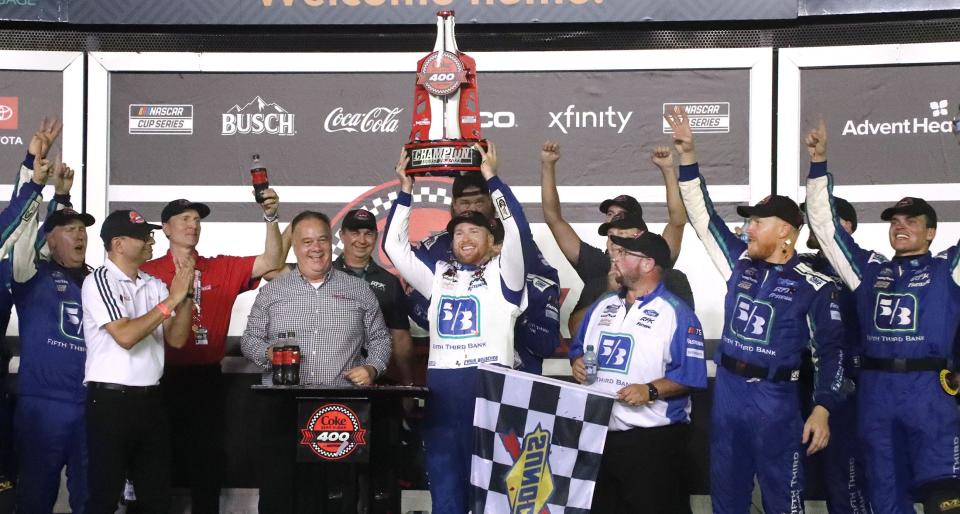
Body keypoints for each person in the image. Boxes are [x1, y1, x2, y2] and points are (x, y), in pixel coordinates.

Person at [668, 106, 845, 513]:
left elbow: (830, 353)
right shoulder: (740, 264)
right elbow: (703, 217)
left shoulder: (813, 285)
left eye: (757, 222)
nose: (747, 228)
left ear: (785, 230)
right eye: (749, 222)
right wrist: (688, 157)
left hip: (777, 399)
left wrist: (822, 408)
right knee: (726, 497)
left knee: (784, 499)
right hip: (729, 392)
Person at [804, 120, 960, 514]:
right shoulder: (868, 271)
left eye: (911, 221)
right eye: (893, 221)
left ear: (931, 233)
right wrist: (819, 163)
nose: (900, 225)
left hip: (930, 391)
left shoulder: (948, 269)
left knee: (945, 497)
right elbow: (825, 229)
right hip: (876, 393)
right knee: (885, 496)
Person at [382, 142, 529, 513]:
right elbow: (395, 248)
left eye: (475, 232)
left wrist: (493, 179)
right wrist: (405, 189)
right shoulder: (439, 278)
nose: (464, 238)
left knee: (495, 496)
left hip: (491, 390)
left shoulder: (505, 274)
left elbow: (518, 230)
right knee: (446, 495)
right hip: (444, 393)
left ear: (494, 244)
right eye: (459, 232)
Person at [139, 190, 282, 513]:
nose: (193, 225)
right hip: (159, 377)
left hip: (206, 379)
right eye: (184, 219)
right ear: (166, 228)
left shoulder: (220, 267)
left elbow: (272, 261)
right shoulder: (147, 272)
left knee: (207, 459)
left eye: (197, 219)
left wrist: (271, 217)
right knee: (157, 460)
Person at [240, 210, 392, 513]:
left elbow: (380, 339)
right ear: (294, 246)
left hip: (338, 408)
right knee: (279, 491)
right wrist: (267, 354)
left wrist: (373, 367)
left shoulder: (358, 290)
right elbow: (250, 340)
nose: (316, 248)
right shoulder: (272, 292)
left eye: (322, 239)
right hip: (282, 403)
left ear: (332, 242)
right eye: (307, 241)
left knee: (335, 495)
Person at [569, 231, 707, 513]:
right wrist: (578, 363)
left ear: (647, 264)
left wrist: (651, 390)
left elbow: (692, 375)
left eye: (623, 254)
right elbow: (579, 348)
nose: (614, 259)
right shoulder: (602, 304)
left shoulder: (677, 312)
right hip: (598, 435)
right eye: (616, 252)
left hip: (651, 442)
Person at [81, 209, 194, 514]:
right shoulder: (100, 280)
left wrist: (187, 296)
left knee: (156, 498)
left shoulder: (153, 283)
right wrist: (171, 300)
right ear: (118, 244)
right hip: (110, 402)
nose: (150, 241)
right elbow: (126, 336)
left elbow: (177, 339)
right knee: (104, 496)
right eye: (143, 236)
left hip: (151, 401)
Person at [412, 165, 560, 375]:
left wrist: (505, 306)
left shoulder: (514, 240)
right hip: (456, 360)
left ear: (491, 202)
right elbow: (416, 303)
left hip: (515, 364)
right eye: (464, 202)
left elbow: (544, 286)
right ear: (453, 205)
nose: (471, 207)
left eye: (479, 201)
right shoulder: (435, 247)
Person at [539, 141, 694, 336]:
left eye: (623, 227)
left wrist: (669, 170)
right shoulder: (597, 268)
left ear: (639, 233)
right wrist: (548, 165)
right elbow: (554, 220)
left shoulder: (656, 257)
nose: (615, 226)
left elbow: (677, 222)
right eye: (610, 216)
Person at [798, 196, 871, 514]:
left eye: (819, 217)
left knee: (845, 474)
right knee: (795, 472)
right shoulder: (800, 265)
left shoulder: (868, 266)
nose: (811, 223)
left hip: (848, 384)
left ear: (845, 227)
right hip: (798, 379)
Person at [334, 208, 414, 385]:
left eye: (368, 233)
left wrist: (408, 384)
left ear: (376, 237)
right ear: (341, 235)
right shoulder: (323, 274)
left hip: (374, 376)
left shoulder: (390, 282)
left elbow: (400, 338)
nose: (362, 240)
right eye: (355, 233)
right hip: (328, 375)